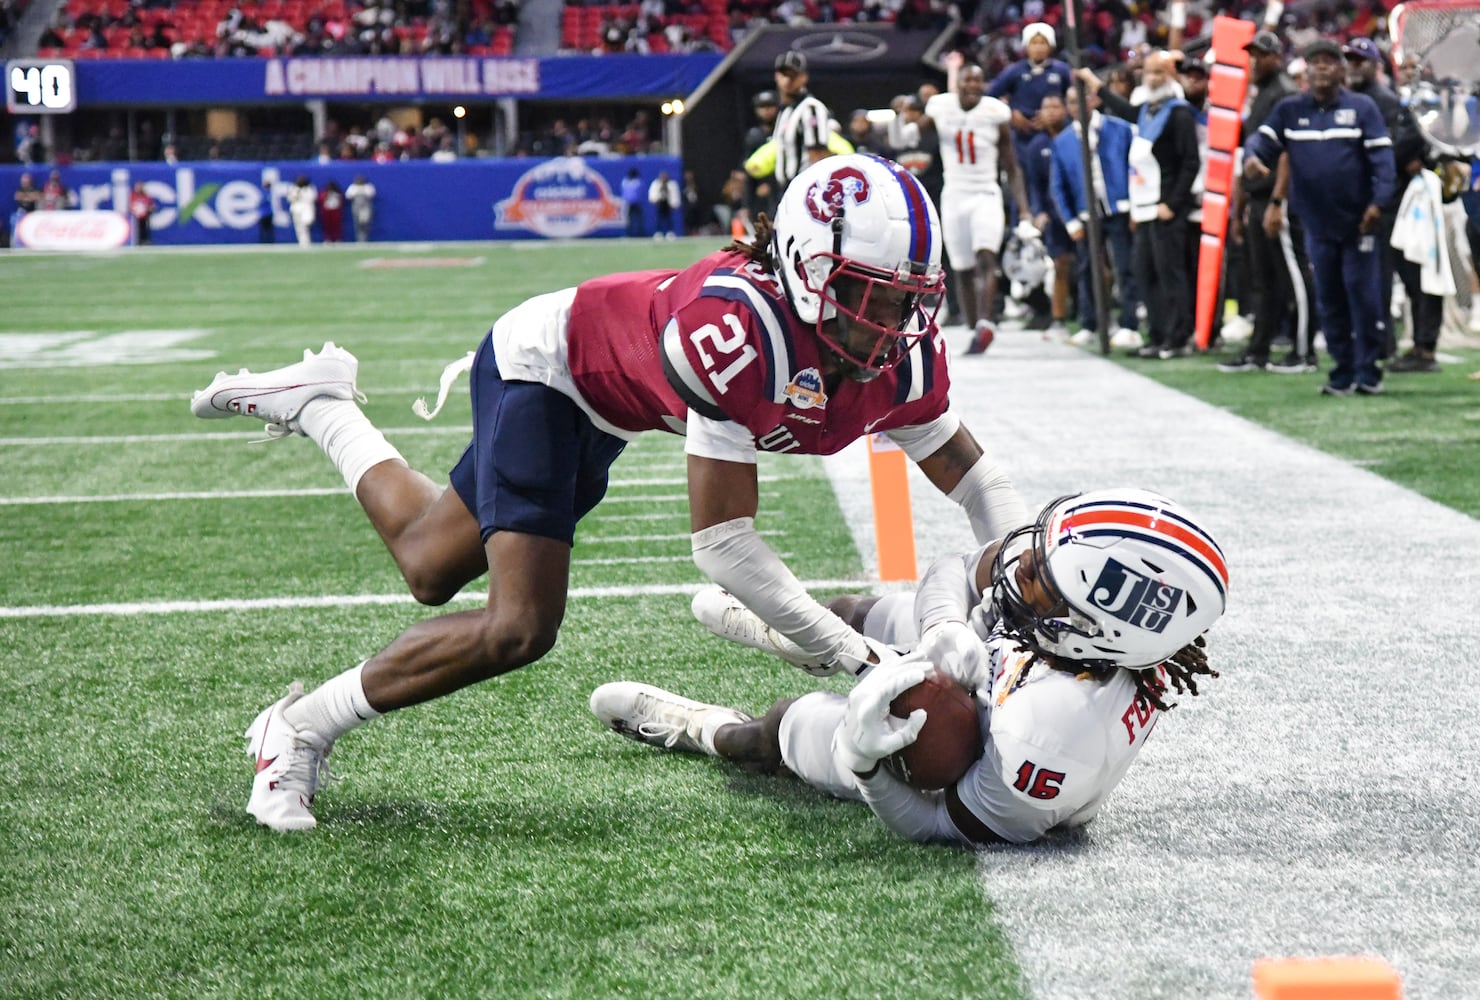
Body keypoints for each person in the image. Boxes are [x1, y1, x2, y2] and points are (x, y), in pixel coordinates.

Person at [188, 153, 1029, 832]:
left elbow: (973, 477)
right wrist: (862, 657)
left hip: (612, 406)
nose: (896, 322)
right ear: (811, 273)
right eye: (874, 295)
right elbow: (724, 546)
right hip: (550, 367)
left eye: (910, 298)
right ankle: (297, 728)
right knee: (520, 626)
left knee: (426, 561)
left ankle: (323, 405)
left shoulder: (899, 355)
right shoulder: (737, 332)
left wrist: (1026, 584)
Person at [590, 488, 1228, 846]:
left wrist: (868, 766)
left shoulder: (1048, 744)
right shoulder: (1085, 628)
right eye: (1040, 551)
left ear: (1101, 635)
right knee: (860, 610)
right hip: (1024, 665)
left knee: (793, 725)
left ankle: (703, 727)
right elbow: (960, 567)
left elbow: (935, 822)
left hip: (974, 752)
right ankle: (808, 640)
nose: (1020, 567)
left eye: (1043, 583)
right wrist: (946, 627)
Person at [1245, 40, 1396, 396]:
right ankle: (1341, 370)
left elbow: (1383, 160)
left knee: (1363, 295)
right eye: (1315, 63)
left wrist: (1379, 202)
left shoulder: (1362, 108)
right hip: (1316, 223)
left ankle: (1369, 368)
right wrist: (1252, 157)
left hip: (1359, 221)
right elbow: (1261, 142)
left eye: (1330, 61)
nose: (1322, 68)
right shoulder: (1289, 110)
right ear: (1305, 71)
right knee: (1329, 298)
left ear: (1341, 70)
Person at [1218, 32, 1317, 375]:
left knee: (1294, 276)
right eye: (1252, 55)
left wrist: (1278, 200)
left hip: (1280, 198)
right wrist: (1242, 204)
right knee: (1262, 281)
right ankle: (1258, 349)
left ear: (1278, 57)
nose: (1255, 60)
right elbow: (1248, 154)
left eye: (1262, 55)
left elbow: (1290, 152)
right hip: (1259, 196)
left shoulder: (1286, 95)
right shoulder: (1262, 95)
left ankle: (1305, 351)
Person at [925, 56, 1035, 355]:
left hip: (985, 192)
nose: (972, 85)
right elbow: (919, 130)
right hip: (954, 194)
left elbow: (1012, 167)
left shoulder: (995, 113)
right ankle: (975, 328)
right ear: (957, 83)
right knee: (962, 268)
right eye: (967, 79)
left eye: (978, 80)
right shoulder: (940, 106)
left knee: (986, 255)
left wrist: (1024, 210)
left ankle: (985, 322)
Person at [1050, 84, 1140, 349]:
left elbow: (1135, 168)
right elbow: (1058, 185)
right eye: (1072, 100)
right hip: (1086, 214)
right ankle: (1090, 323)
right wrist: (1070, 220)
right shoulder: (1063, 140)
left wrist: (1135, 205)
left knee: (1125, 266)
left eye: (1083, 97)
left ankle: (1129, 323)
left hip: (1119, 207)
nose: (1078, 104)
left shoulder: (1120, 129)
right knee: (1088, 269)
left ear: (1094, 100)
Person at [648, 169, 680, 240]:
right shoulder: (656, 184)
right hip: (660, 203)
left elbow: (674, 194)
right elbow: (653, 194)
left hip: (668, 203)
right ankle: (658, 232)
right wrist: (655, 199)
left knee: (669, 219)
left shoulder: (671, 184)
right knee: (659, 218)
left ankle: (670, 232)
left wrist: (674, 203)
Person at [287, 175, 318, 246]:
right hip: (296, 209)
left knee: (307, 222)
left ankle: (306, 241)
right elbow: (290, 199)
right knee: (299, 228)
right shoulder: (294, 188)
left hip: (307, 209)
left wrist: (302, 194)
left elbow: (312, 198)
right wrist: (296, 194)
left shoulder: (310, 188)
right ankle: (303, 243)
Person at [346, 174, 376, 242]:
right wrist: (357, 191)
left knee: (365, 222)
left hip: (365, 206)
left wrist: (362, 191)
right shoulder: (353, 187)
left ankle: (365, 238)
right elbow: (348, 195)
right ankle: (359, 239)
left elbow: (371, 194)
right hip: (356, 206)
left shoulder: (368, 186)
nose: (359, 181)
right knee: (357, 223)